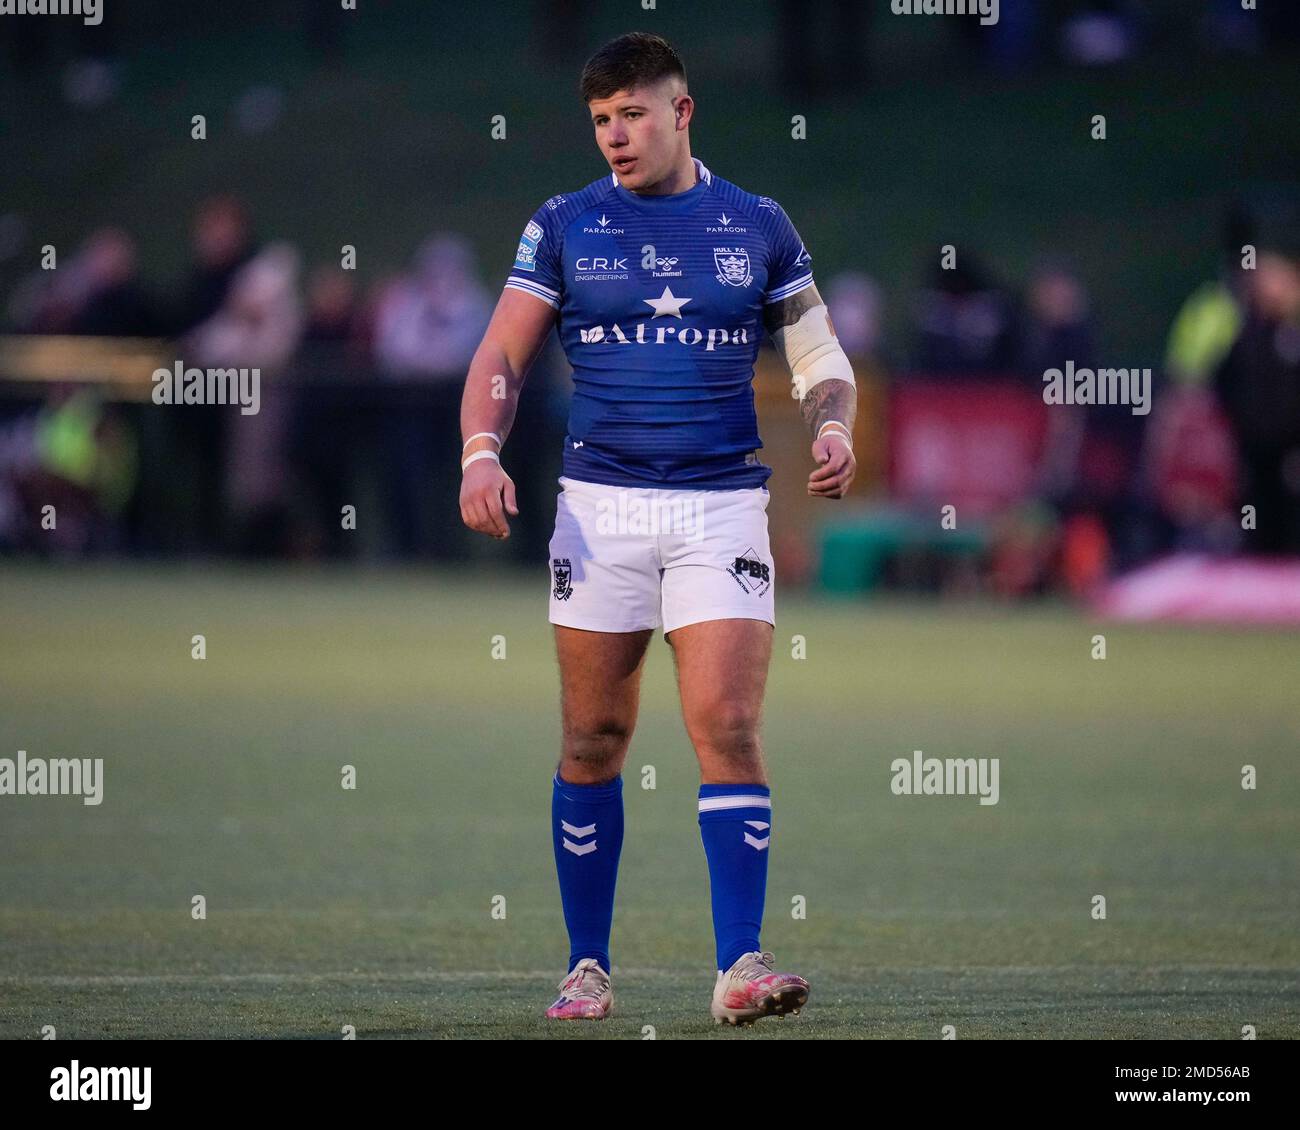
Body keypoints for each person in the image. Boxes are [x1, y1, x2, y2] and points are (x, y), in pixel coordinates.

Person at [458, 32, 857, 1026]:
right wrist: (479, 448)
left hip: (721, 504)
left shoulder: (755, 224)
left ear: (683, 112)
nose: (615, 137)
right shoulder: (563, 224)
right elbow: (501, 351)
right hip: (600, 511)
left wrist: (835, 421)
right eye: (600, 120)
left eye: (633, 113)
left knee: (725, 722)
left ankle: (740, 964)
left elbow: (818, 352)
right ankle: (587, 963)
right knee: (593, 734)